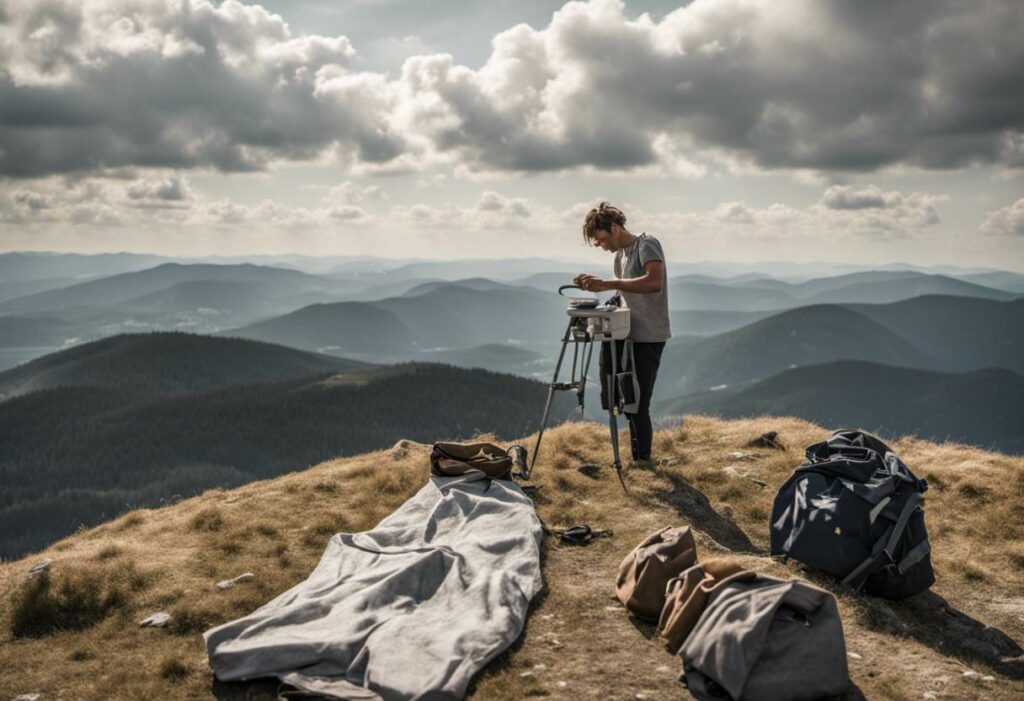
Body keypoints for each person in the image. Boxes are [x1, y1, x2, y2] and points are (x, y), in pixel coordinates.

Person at [574, 202, 671, 466]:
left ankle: (642, 460)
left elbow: (654, 282)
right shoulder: (621, 256)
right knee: (626, 398)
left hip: (648, 335)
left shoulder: (646, 244)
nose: (600, 245)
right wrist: (601, 295)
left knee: (638, 402)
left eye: (602, 238)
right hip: (627, 334)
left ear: (615, 228)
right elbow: (626, 292)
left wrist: (607, 283)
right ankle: (637, 458)